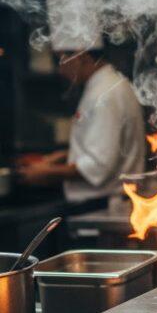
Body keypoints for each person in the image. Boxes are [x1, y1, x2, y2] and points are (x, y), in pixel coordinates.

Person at [18, 33, 146, 204]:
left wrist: (46, 173)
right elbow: (105, 146)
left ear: (81, 56)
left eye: (62, 61)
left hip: (101, 204)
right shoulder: (110, 85)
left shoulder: (104, 94)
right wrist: (63, 156)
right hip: (107, 201)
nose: (61, 70)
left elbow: (99, 165)